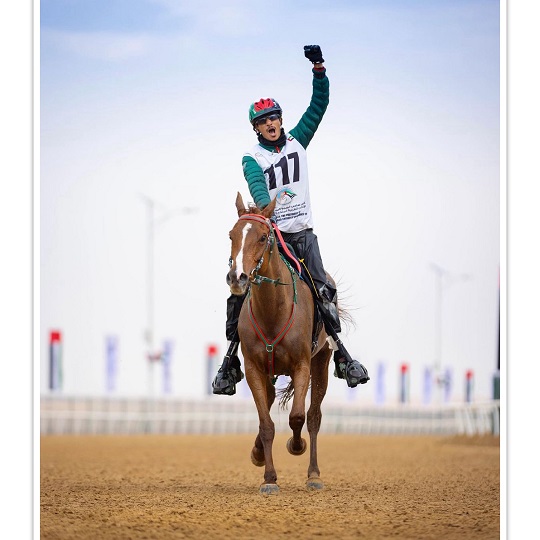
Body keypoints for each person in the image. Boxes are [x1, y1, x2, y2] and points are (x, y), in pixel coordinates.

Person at [212, 45, 369, 396]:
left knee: (324, 289)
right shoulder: (251, 157)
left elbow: (318, 106)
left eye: (273, 118)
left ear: (281, 120)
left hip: (303, 236)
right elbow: (256, 184)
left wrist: (319, 69)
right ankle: (230, 362)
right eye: (262, 121)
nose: (270, 124)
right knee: (239, 289)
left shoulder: (298, 140)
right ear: (256, 128)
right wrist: (264, 208)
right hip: (272, 237)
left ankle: (341, 355)